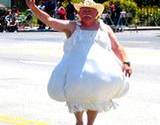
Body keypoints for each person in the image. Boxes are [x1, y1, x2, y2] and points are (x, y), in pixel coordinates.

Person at [25, 0, 132, 125]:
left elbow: (117, 47)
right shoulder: (72, 26)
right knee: (77, 96)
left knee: (95, 97)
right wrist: (33, 7)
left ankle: (90, 123)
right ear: (78, 13)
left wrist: (126, 62)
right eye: (84, 10)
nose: (87, 13)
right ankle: (79, 121)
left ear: (97, 13)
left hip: (99, 77)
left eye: (90, 10)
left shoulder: (105, 28)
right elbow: (49, 20)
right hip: (75, 75)